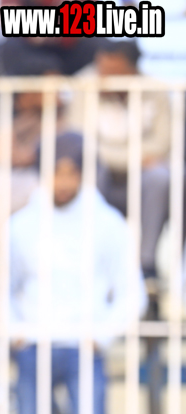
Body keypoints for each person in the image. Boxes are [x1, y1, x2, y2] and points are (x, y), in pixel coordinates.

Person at [9, 132, 145, 414]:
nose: (63, 181)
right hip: (35, 348)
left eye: (71, 172)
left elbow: (132, 293)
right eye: (56, 172)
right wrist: (17, 331)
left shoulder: (107, 224)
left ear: (83, 174)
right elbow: (5, 290)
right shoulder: (21, 224)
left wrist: (101, 336)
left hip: (85, 349)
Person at [68, 40, 171, 286]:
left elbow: (163, 142)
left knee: (161, 178)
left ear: (132, 71)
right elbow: (81, 142)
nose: (104, 78)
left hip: (141, 181)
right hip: (102, 177)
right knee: (92, 170)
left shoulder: (155, 90)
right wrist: (133, 158)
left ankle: (146, 267)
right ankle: (93, 260)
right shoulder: (84, 84)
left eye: (113, 73)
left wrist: (114, 156)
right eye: (101, 70)